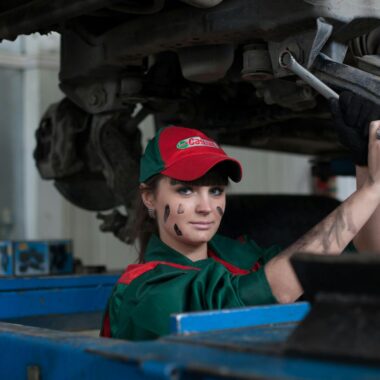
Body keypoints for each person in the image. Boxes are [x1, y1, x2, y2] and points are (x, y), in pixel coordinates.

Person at [100, 92, 380, 341]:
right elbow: (275, 290)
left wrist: (363, 161)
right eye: (185, 190)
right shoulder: (145, 292)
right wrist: (371, 190)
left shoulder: (235, 253)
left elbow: (365, 251)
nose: (206, 206)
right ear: (149, 197)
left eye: (216, 190)